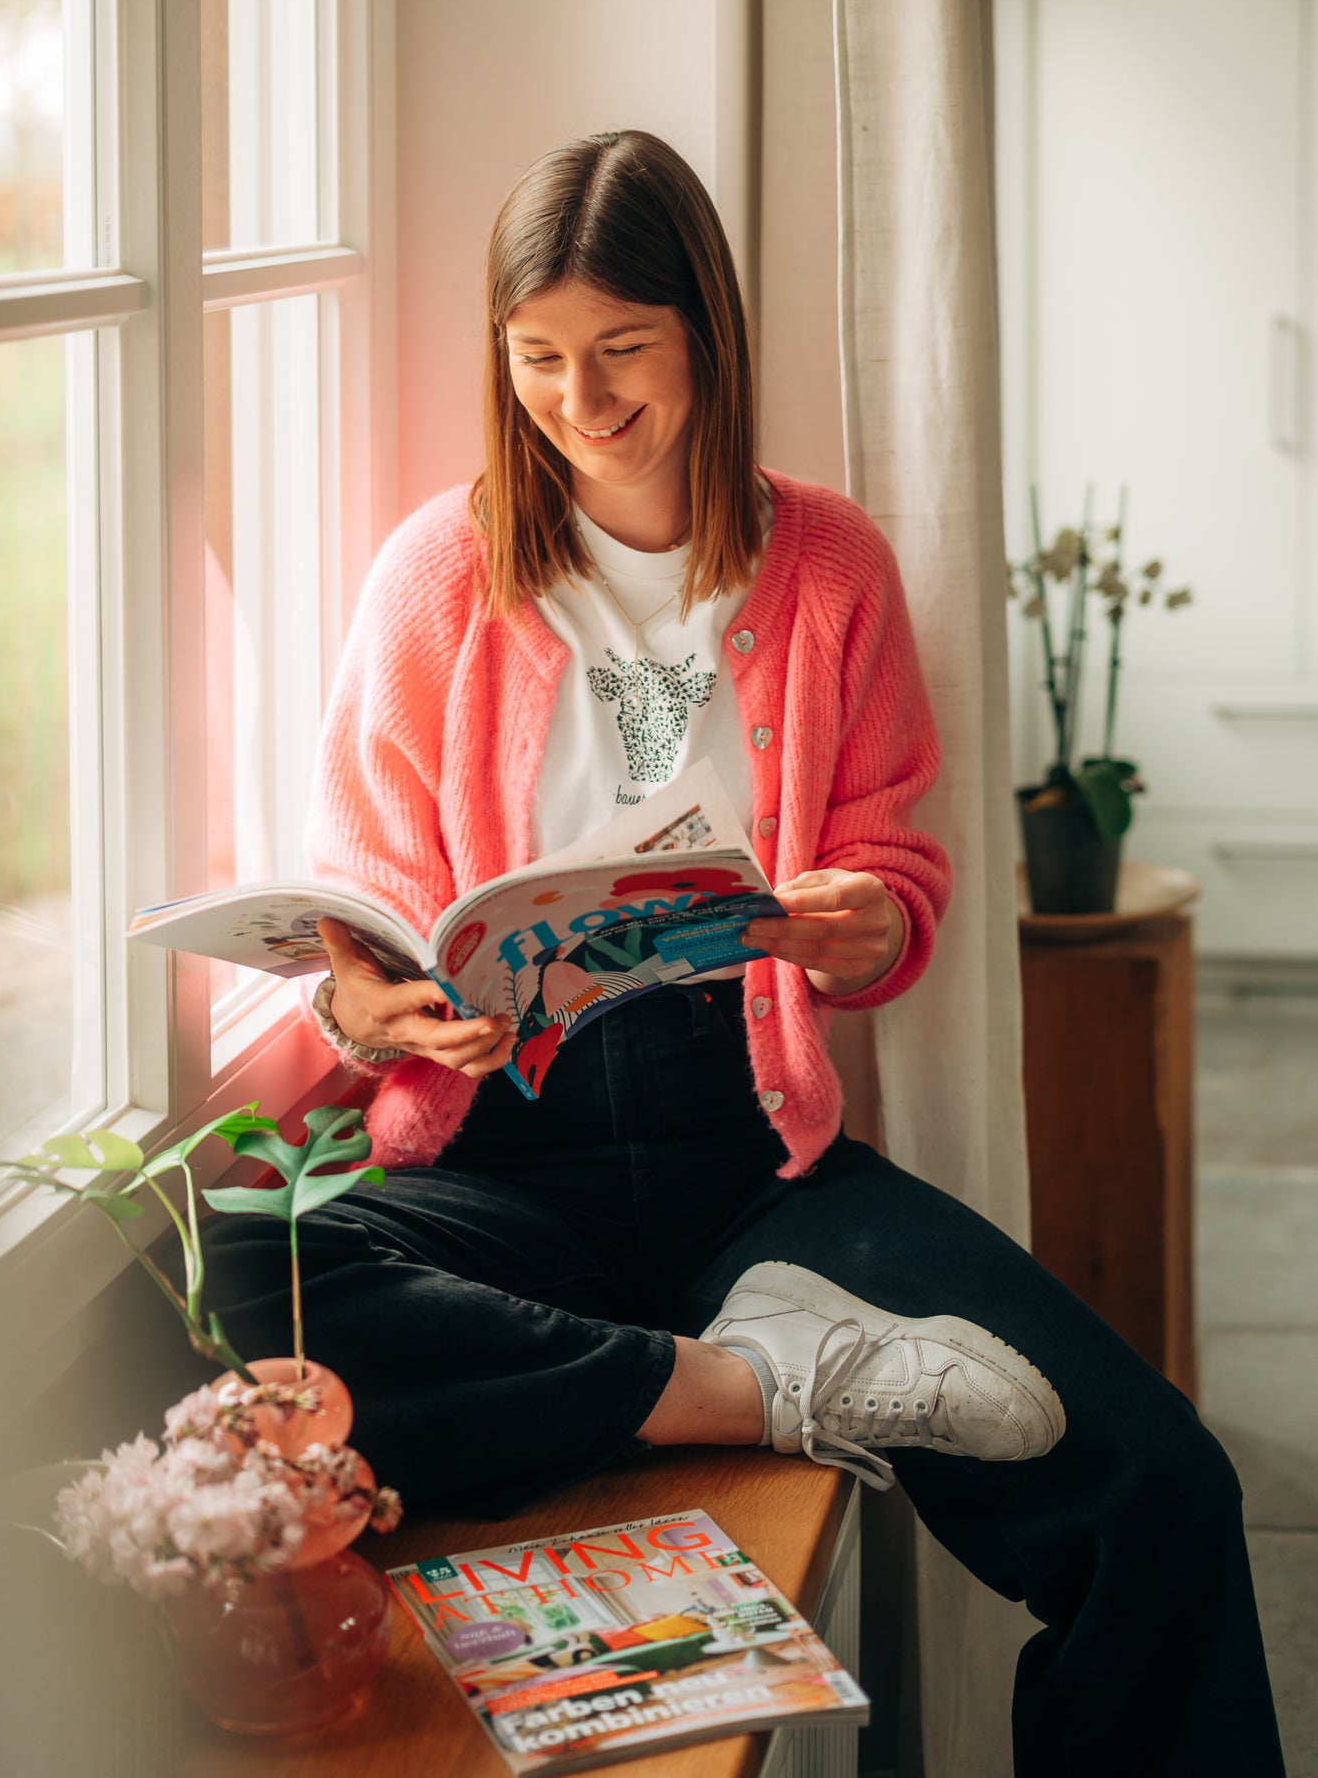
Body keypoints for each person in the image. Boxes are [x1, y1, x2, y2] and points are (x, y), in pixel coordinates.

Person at [204, 131, 1285, 1776]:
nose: (583, 397)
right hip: (499, 1159)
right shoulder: (439, 571)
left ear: (703, 329)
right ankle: (743, 1387)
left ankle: (750, 1354)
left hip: (751, 1164)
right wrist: (374, 1005)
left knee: (1160, 1489)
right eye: (539, 359)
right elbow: (357, 884)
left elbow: (895, 857)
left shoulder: (829, 564)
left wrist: (867, 918)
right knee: (233, 1294)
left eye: (623, 349)